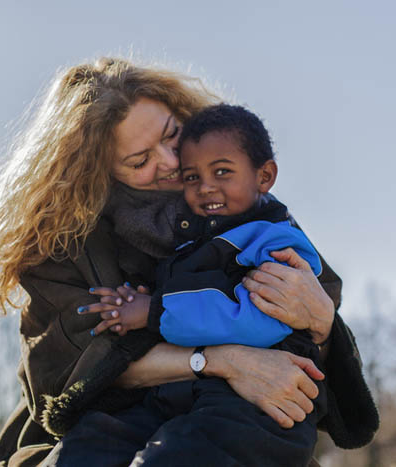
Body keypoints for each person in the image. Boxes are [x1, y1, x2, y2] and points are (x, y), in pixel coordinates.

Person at [0, 57, 378, 467]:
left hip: (233, 421)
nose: (168, 162)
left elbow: (310, 321)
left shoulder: (245, 204)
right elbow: (73, 373)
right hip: (104, 424)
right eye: (139, 161)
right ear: (96, 173)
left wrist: (322, 322)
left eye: (172, 136)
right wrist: (223, 361)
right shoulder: (63, 243)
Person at [78, 103, 330, 465]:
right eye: (193, 176)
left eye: (222, 172)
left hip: (260, 401)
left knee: (177, 456)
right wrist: (139, 297)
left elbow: (255, 321)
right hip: (186, 390)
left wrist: (154, 311)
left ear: (264, 177)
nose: (205, 187)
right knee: (92, 442)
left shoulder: (274, 238)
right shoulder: (196, 236)